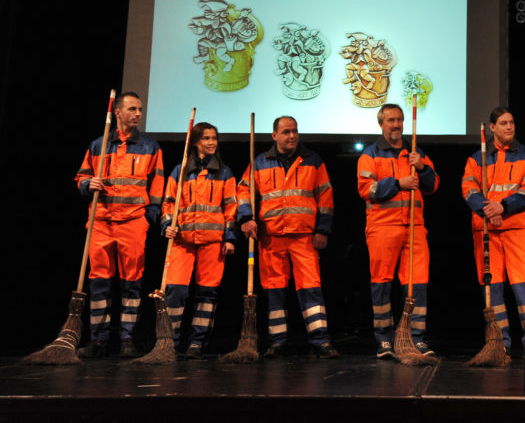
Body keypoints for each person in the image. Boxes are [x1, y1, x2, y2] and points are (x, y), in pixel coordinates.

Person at [237, 116, 338, 359]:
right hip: (271, 237)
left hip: (304, 237)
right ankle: (277, 342)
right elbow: (243, 190)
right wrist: (246, 217)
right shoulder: (259, 162)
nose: (292, 136)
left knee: (311, 288)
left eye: (294, 131)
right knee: (275, 290)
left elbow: (326, 196)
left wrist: (322, 230)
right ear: (275, 136)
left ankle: (320, 340)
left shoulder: (312, 160)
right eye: (286, 132)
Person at [75, 92, 164, 358]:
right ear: (118, 113)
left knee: (131, 282)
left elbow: (157, 184)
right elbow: (82, 176)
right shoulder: (99, 145)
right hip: (101, 221)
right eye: (132, 109)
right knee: (99, 282)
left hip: (133, 222)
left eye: (140, 109)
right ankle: (98, 340)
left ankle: (127, 339)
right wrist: (87, 184)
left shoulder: (150, 146)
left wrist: (150, 215)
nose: (138, 114)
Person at [357, 103, 439, 359]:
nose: (396, 124)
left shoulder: (415, 153)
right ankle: (384, 339)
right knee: (381, 283)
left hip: (414, 226)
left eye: (400, 120)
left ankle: (416, 338)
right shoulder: (369, 155)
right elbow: (366, 190)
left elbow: (433, 185)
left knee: (417, 283)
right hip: (382, 226)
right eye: (391, 120)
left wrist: (422, 167)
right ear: (381, 124)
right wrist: (397, 183)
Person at [461, 107, 525, 353]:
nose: (509, 127)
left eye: (512, 122)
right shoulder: (476, 159)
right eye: (504, 123)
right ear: (492, 127)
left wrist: (502, 207)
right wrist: (489, 210)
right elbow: (468, 190)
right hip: (487, 230)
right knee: (492, 288)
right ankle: (499, 344)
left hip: (518, 229)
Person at [161, 122, 237, 359]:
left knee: (207, 293)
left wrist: (230, 238)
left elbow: (231, 208)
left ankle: (197, 342)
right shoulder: (180, 171)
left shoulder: (224, 172)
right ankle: (169, 342)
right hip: (182, 240)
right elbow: (168, 203)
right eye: (206, 138)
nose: (211, 142)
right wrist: (167, 225)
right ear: (195, 142)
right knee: (175, 290)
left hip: (213, 241)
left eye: (214, 138)